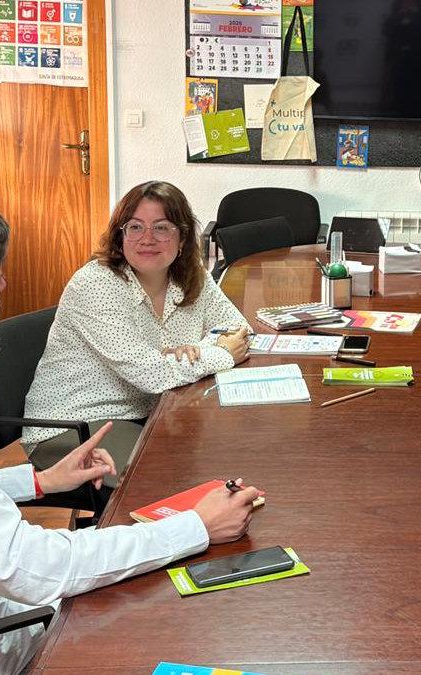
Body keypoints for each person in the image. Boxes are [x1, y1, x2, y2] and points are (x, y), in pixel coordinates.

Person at [0, 204, 262, 674]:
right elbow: (34, 569)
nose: (3, 288)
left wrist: (36, 482)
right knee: (172, 612)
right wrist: (196, 527)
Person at [23, 181, 251, 481]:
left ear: (181, 237)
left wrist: (198, 350)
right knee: (169, 480)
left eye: (161, 227)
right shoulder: (96, 284)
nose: (147, 239)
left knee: (227, 456)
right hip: (76, 424)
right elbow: (152, 374)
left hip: (150, 412)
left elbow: (238, 330)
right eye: (135, 227)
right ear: (120, 235)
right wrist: (219, 354)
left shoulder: (191, 275)